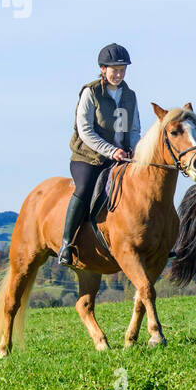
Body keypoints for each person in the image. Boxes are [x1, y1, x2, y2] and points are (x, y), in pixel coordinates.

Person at [59, 43, 142, 266]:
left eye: (122, 69)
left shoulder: (129, 96)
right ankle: (66, 243)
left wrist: (137, 153)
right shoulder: (91, 92)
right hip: (88, 157)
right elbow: (86, 131)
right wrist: (111, 150)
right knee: (85, 188)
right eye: (114, 69)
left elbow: (133, 130)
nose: (119, 74)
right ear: (103, 69)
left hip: (121, 157)